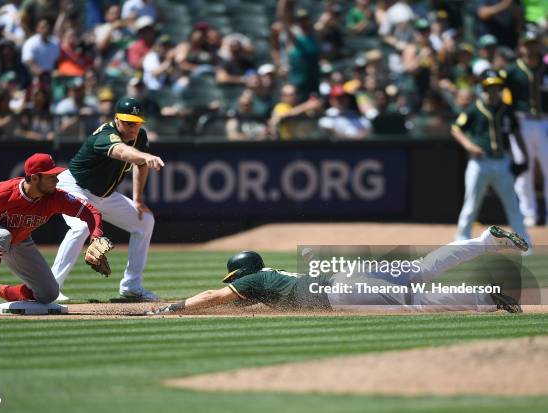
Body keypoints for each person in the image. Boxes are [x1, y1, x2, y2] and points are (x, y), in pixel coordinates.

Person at [142, 226, 528, 316]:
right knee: (423, 268)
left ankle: (485, 297)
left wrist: (173, 307)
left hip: (341, 291)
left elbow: (214, 297)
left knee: (413, 301)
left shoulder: (252, 280)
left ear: (242, 273)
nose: (234, 285)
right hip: (347, 274)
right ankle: (483, 241)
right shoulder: (272, 279)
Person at [0, 154, 105, 316]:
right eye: (51, 176)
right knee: (2, 235)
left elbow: (90, 212)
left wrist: (95, 235)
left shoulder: (55, 197)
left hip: (19, 239)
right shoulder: (4, 192)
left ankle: (10, 292)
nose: (56, 180)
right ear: (34, 178)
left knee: (49, 294)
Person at [51, 97, 165, 302]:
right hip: (74, 187)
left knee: (145, 221)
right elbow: (122, 152)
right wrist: (144, 156)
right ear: (117, 119)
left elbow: (140, 164)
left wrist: (137, 199)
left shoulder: (140, 136)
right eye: (129, 122)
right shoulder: (106, 135)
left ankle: (131, 285)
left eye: (137, 123)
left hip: (104, 195)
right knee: (80, 227)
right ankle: (50, 288)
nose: (133, 127)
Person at [451, 70, 531, 243]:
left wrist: (523, 156)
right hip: (480, 162)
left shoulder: (507, 110)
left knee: (513, 205)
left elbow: (516, 134)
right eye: (490, 87)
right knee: (471, 204)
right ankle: (461, 239)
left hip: (502, 161)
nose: (493, 91)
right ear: (484, 88)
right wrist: (470, 146)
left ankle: (524, 241)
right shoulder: (475, 108)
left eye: (496, 87)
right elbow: (456, 128)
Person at [505, 31, 547, 227]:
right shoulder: (512, 71)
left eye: (534, 44)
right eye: (527, 44)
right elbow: (505, 98)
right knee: (524, 168)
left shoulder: (546, 69)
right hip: (522, 123)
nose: (530, 48)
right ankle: (528, 212)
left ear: (540, 45)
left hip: (545, 121)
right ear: (521, 47)